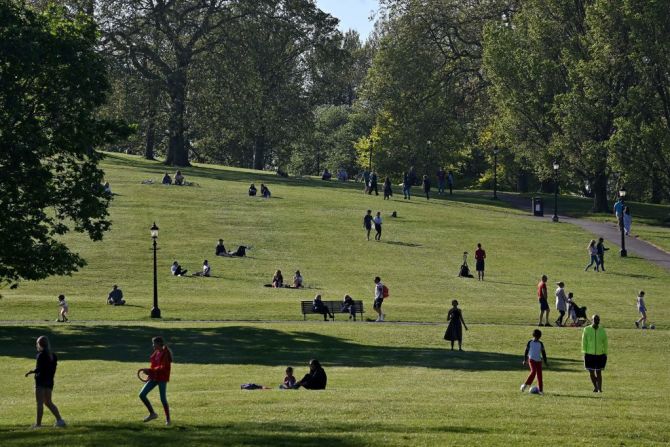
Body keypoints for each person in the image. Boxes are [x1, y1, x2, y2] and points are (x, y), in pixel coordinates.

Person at [25, 336, 66, 428]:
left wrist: (31, 372)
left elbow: (39, 368)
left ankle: (38, 425)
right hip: (49, 381)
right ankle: (60, 420)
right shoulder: (53, 356)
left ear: (39, 345)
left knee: (39, 402)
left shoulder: (40, 355)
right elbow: (51, 369)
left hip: (41, 381)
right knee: (48, 402)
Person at [139, 336, 172, 424]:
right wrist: (149, 374)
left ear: (158, 344)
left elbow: (163, 368)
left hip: (162, 378)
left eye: (154, 343)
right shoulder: (156, 353)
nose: (153, 345)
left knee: (163, 398)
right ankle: (152, 414)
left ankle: (168, 419)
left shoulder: (166, 353)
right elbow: (154, 366)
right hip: (154, 377)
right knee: (142, 394)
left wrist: (150, 371)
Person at [582, 314, 607, 392]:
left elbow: (605, 341)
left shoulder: (602, 329)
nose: (597, 321)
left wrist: (605, 352)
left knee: (599, 372)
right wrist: (584, 352)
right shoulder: (586, 329)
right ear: (592, 320)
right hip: (589, 354)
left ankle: (600, 389)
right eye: (595, 319)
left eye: (598, 320)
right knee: (591, 372)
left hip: (600, 354)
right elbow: (584, 341)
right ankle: (595, 387)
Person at [520, 329, 548, 395]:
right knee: (533, 371)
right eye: (536, 337)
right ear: (534, 336)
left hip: (539, 361)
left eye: (538, 337)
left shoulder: (540, 343)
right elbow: (526, 351)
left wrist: (545, 361)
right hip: (531, 360)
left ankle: (540, 390)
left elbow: (543, 353)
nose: (537, 338)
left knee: (539, 376)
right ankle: (525, 385)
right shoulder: (530, 342)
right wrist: (525, 359)